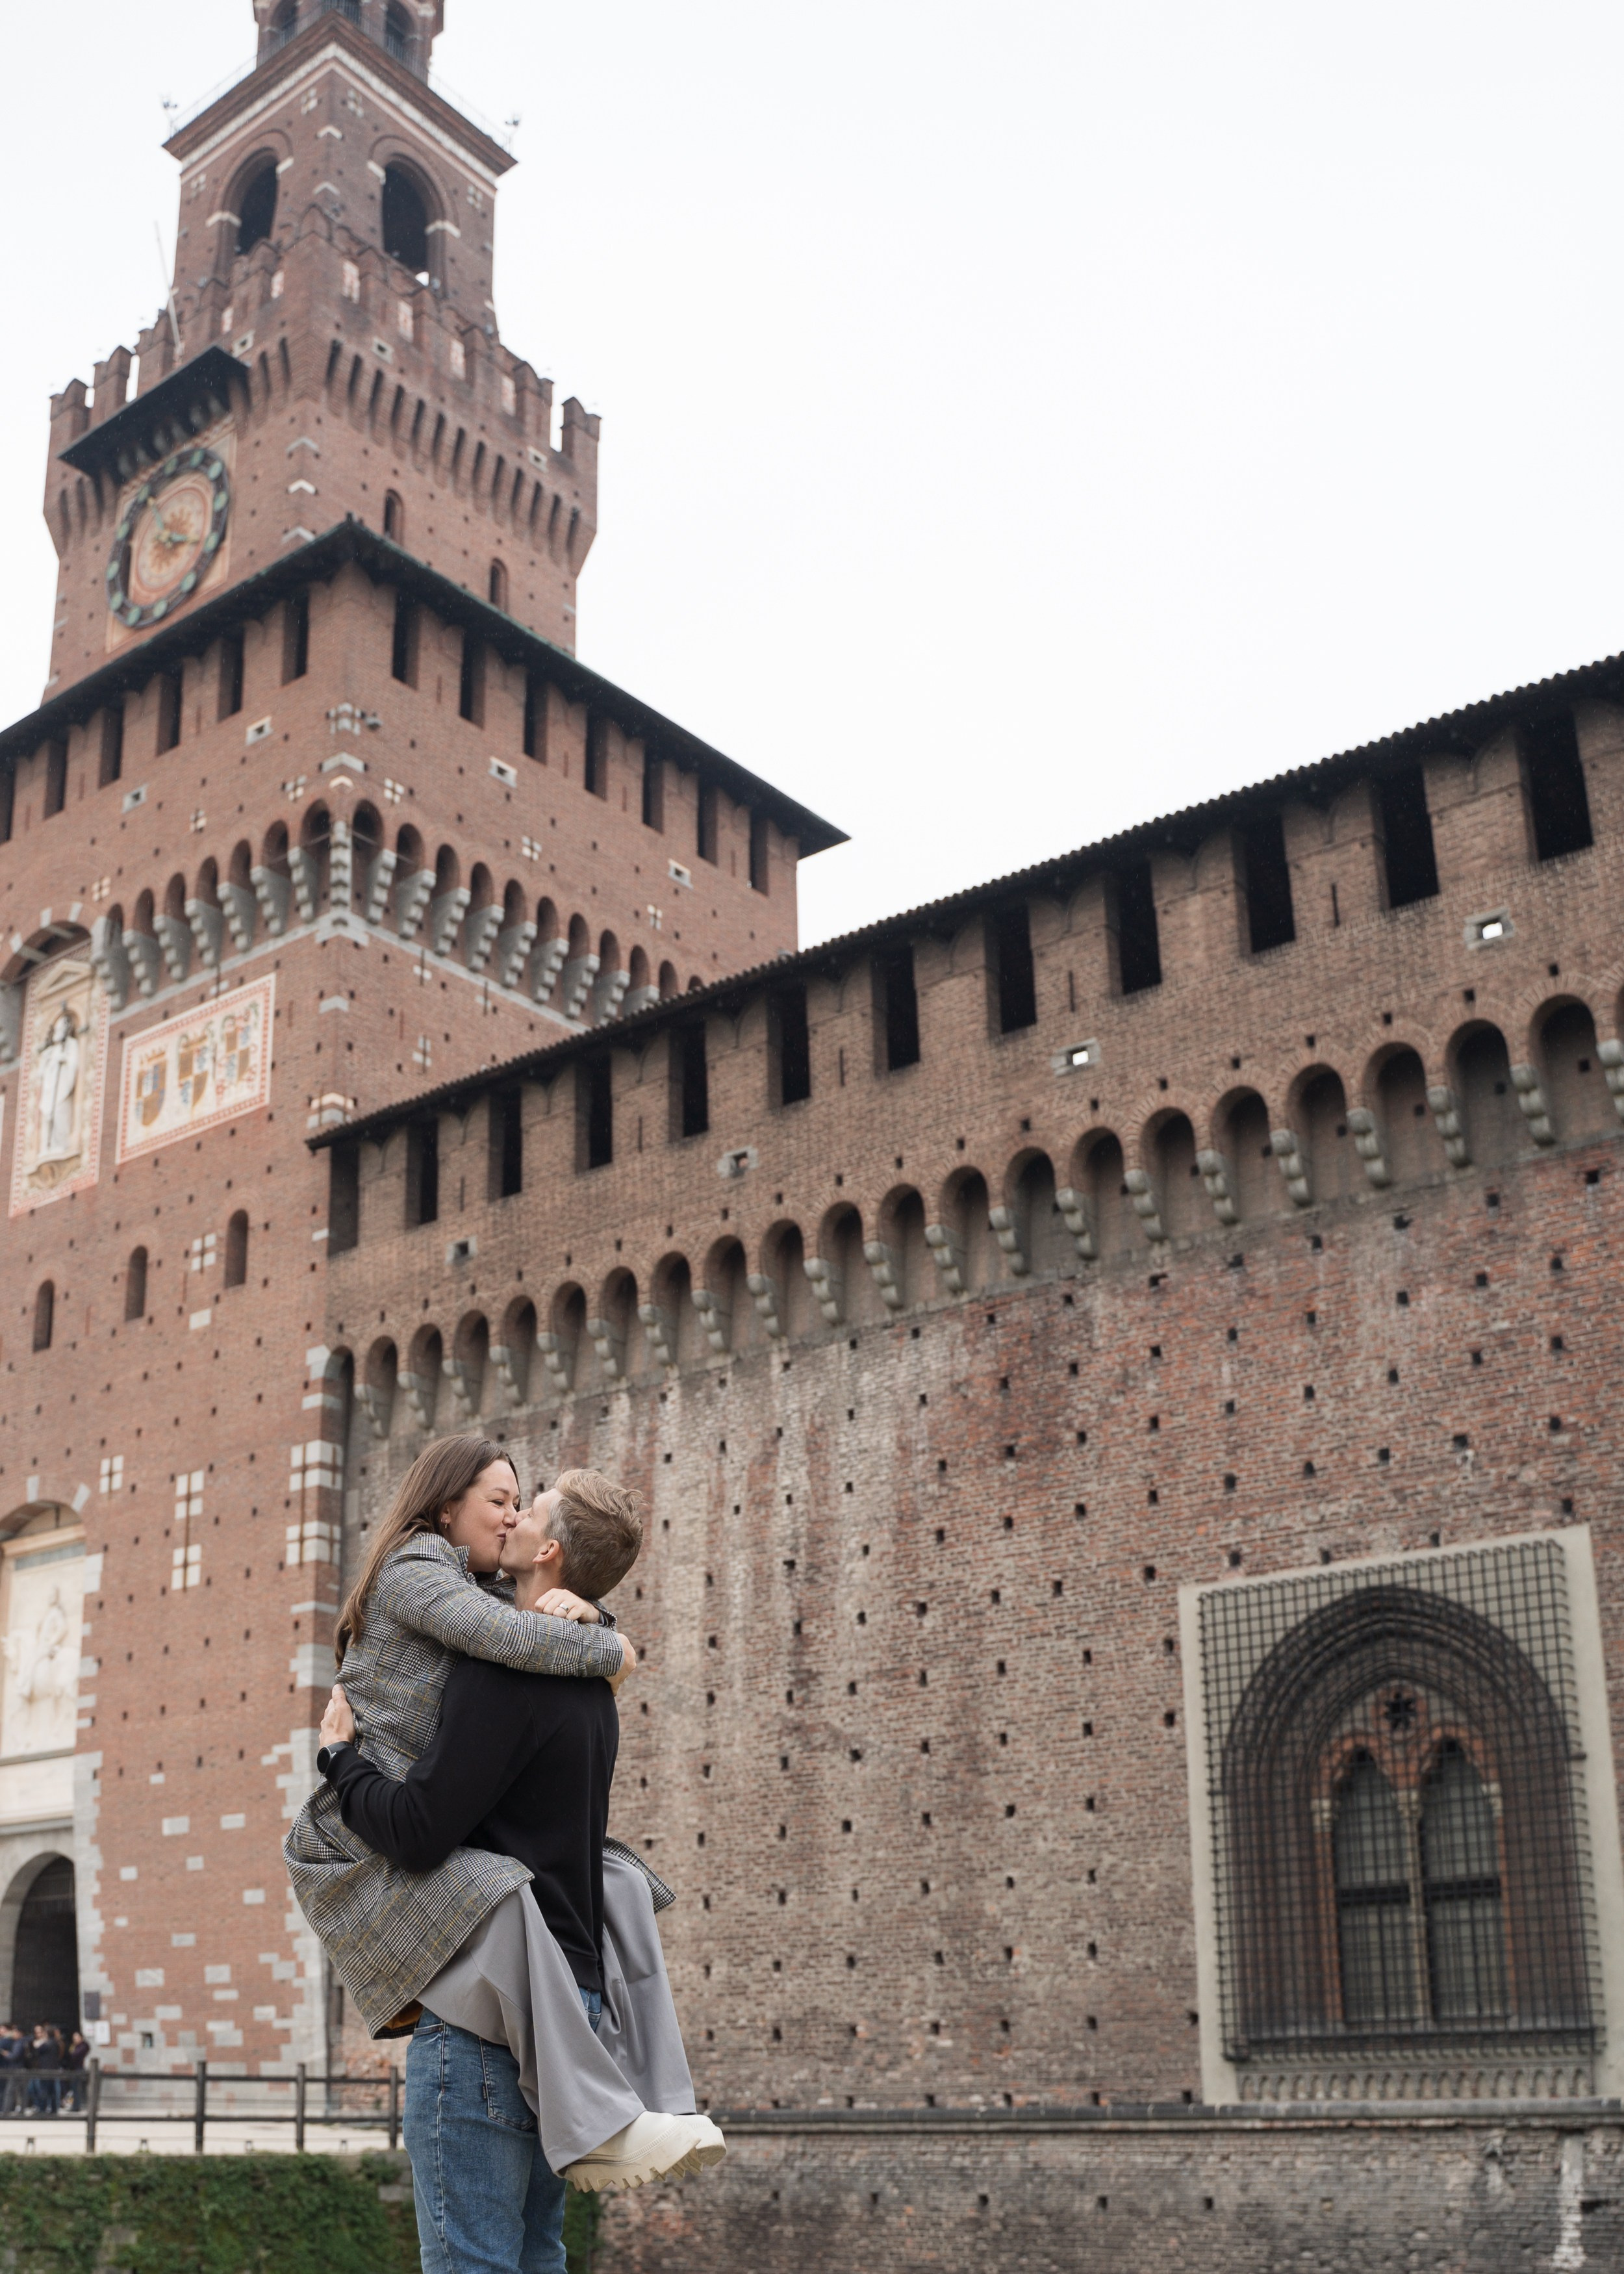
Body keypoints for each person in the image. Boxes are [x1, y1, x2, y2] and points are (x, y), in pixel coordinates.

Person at [285, 1440, 715, 2214]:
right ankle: (622, 2110)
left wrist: (600, 1628)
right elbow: (511, 1636)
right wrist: (613, 1642)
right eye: (499, 1499)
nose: (512, 1513)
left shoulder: (516, 1650)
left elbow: (424, 1822)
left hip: (484, 2020)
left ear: (546, 1547)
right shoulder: (423, 1571)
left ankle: (613, 2116)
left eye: (524, 1503)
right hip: (368, 1845)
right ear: (445, 1504)